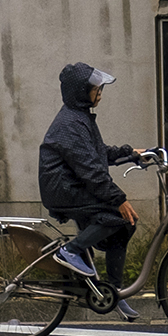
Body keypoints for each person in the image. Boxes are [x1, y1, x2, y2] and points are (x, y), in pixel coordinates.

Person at [38, 62, 145, 316]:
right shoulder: (71, 124)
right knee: (120, 214)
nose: (100, 93)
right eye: (96, 89)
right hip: (63, 189)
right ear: (81, 92)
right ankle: (70, 251)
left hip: (73, 184)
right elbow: (90, 170)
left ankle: (114, 293)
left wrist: (130, 154)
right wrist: (118, 198)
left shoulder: (80, 117)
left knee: (124, 224)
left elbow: (98, 153)